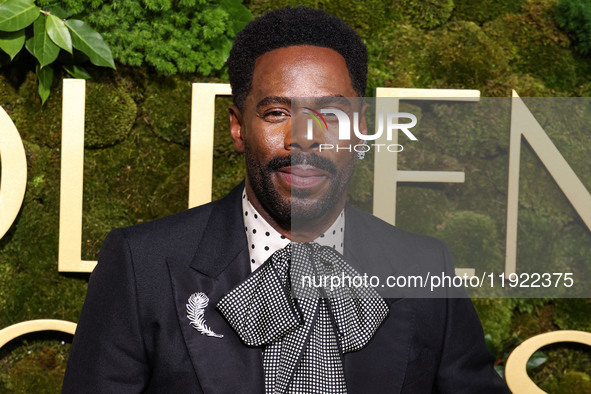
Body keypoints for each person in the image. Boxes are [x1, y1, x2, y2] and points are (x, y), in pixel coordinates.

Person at [63, 6, 510, 393]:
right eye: (277, 113)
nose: (305, 138)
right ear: (238, 127)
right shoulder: (141, 264)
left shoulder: (425, 267)